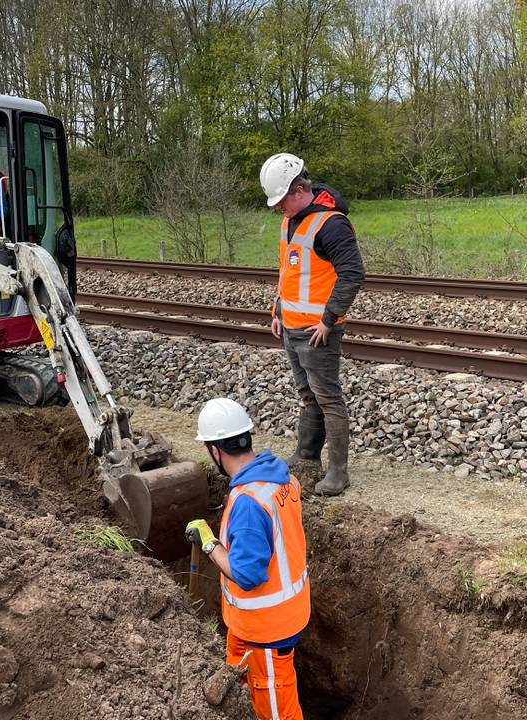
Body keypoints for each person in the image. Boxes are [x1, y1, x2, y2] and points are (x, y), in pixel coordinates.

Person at [186, 397, 309, 720]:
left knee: (277, 711)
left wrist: (210, 544)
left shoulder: (248, 502)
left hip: (268, 629)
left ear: (215, 450)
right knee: (236, 678)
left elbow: (247, 574)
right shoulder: (280, 479)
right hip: (259, 620)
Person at [260, 152, 365, 496]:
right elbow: (290, 271)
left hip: (317, 331)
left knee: (328, 398)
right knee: (308, 396)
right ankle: (307, 455)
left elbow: (352, 274)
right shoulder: (290, 219)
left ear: (299, 189)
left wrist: (329, 319)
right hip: (290, 327)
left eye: (281, 201)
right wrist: (278, 309)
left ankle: (338, 472)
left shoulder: (332, 224)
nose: (278, 208)